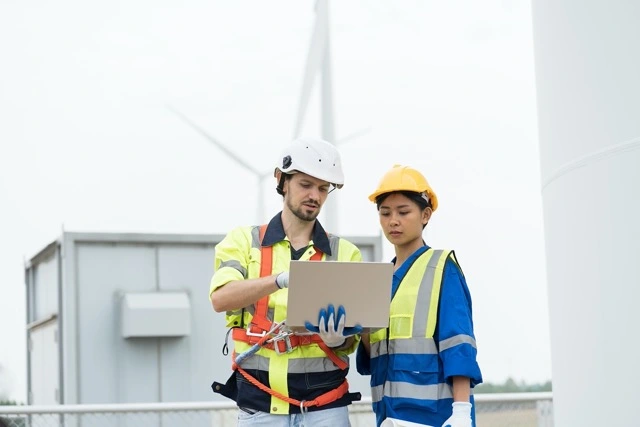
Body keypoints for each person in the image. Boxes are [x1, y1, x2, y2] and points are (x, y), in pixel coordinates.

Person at [210, 137, 363, 427]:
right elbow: (221, 298)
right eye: (306, 185)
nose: (315, 196)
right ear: (281, 180)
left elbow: (353, 338)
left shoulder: (345, 253)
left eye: (322, 188)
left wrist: (338, 339)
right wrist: (279, 280)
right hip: (260, 408)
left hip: (325, 407)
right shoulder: (243, 241)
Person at [356, 164, 483, 427]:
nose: (393, 221)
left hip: (436, 418)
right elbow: (375, 353)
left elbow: (458, 344)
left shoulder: (440, 267)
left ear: (425, 215)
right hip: (388, 417)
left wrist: (461, 411)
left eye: (403, 212)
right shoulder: (379, 279)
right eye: (385, 213)